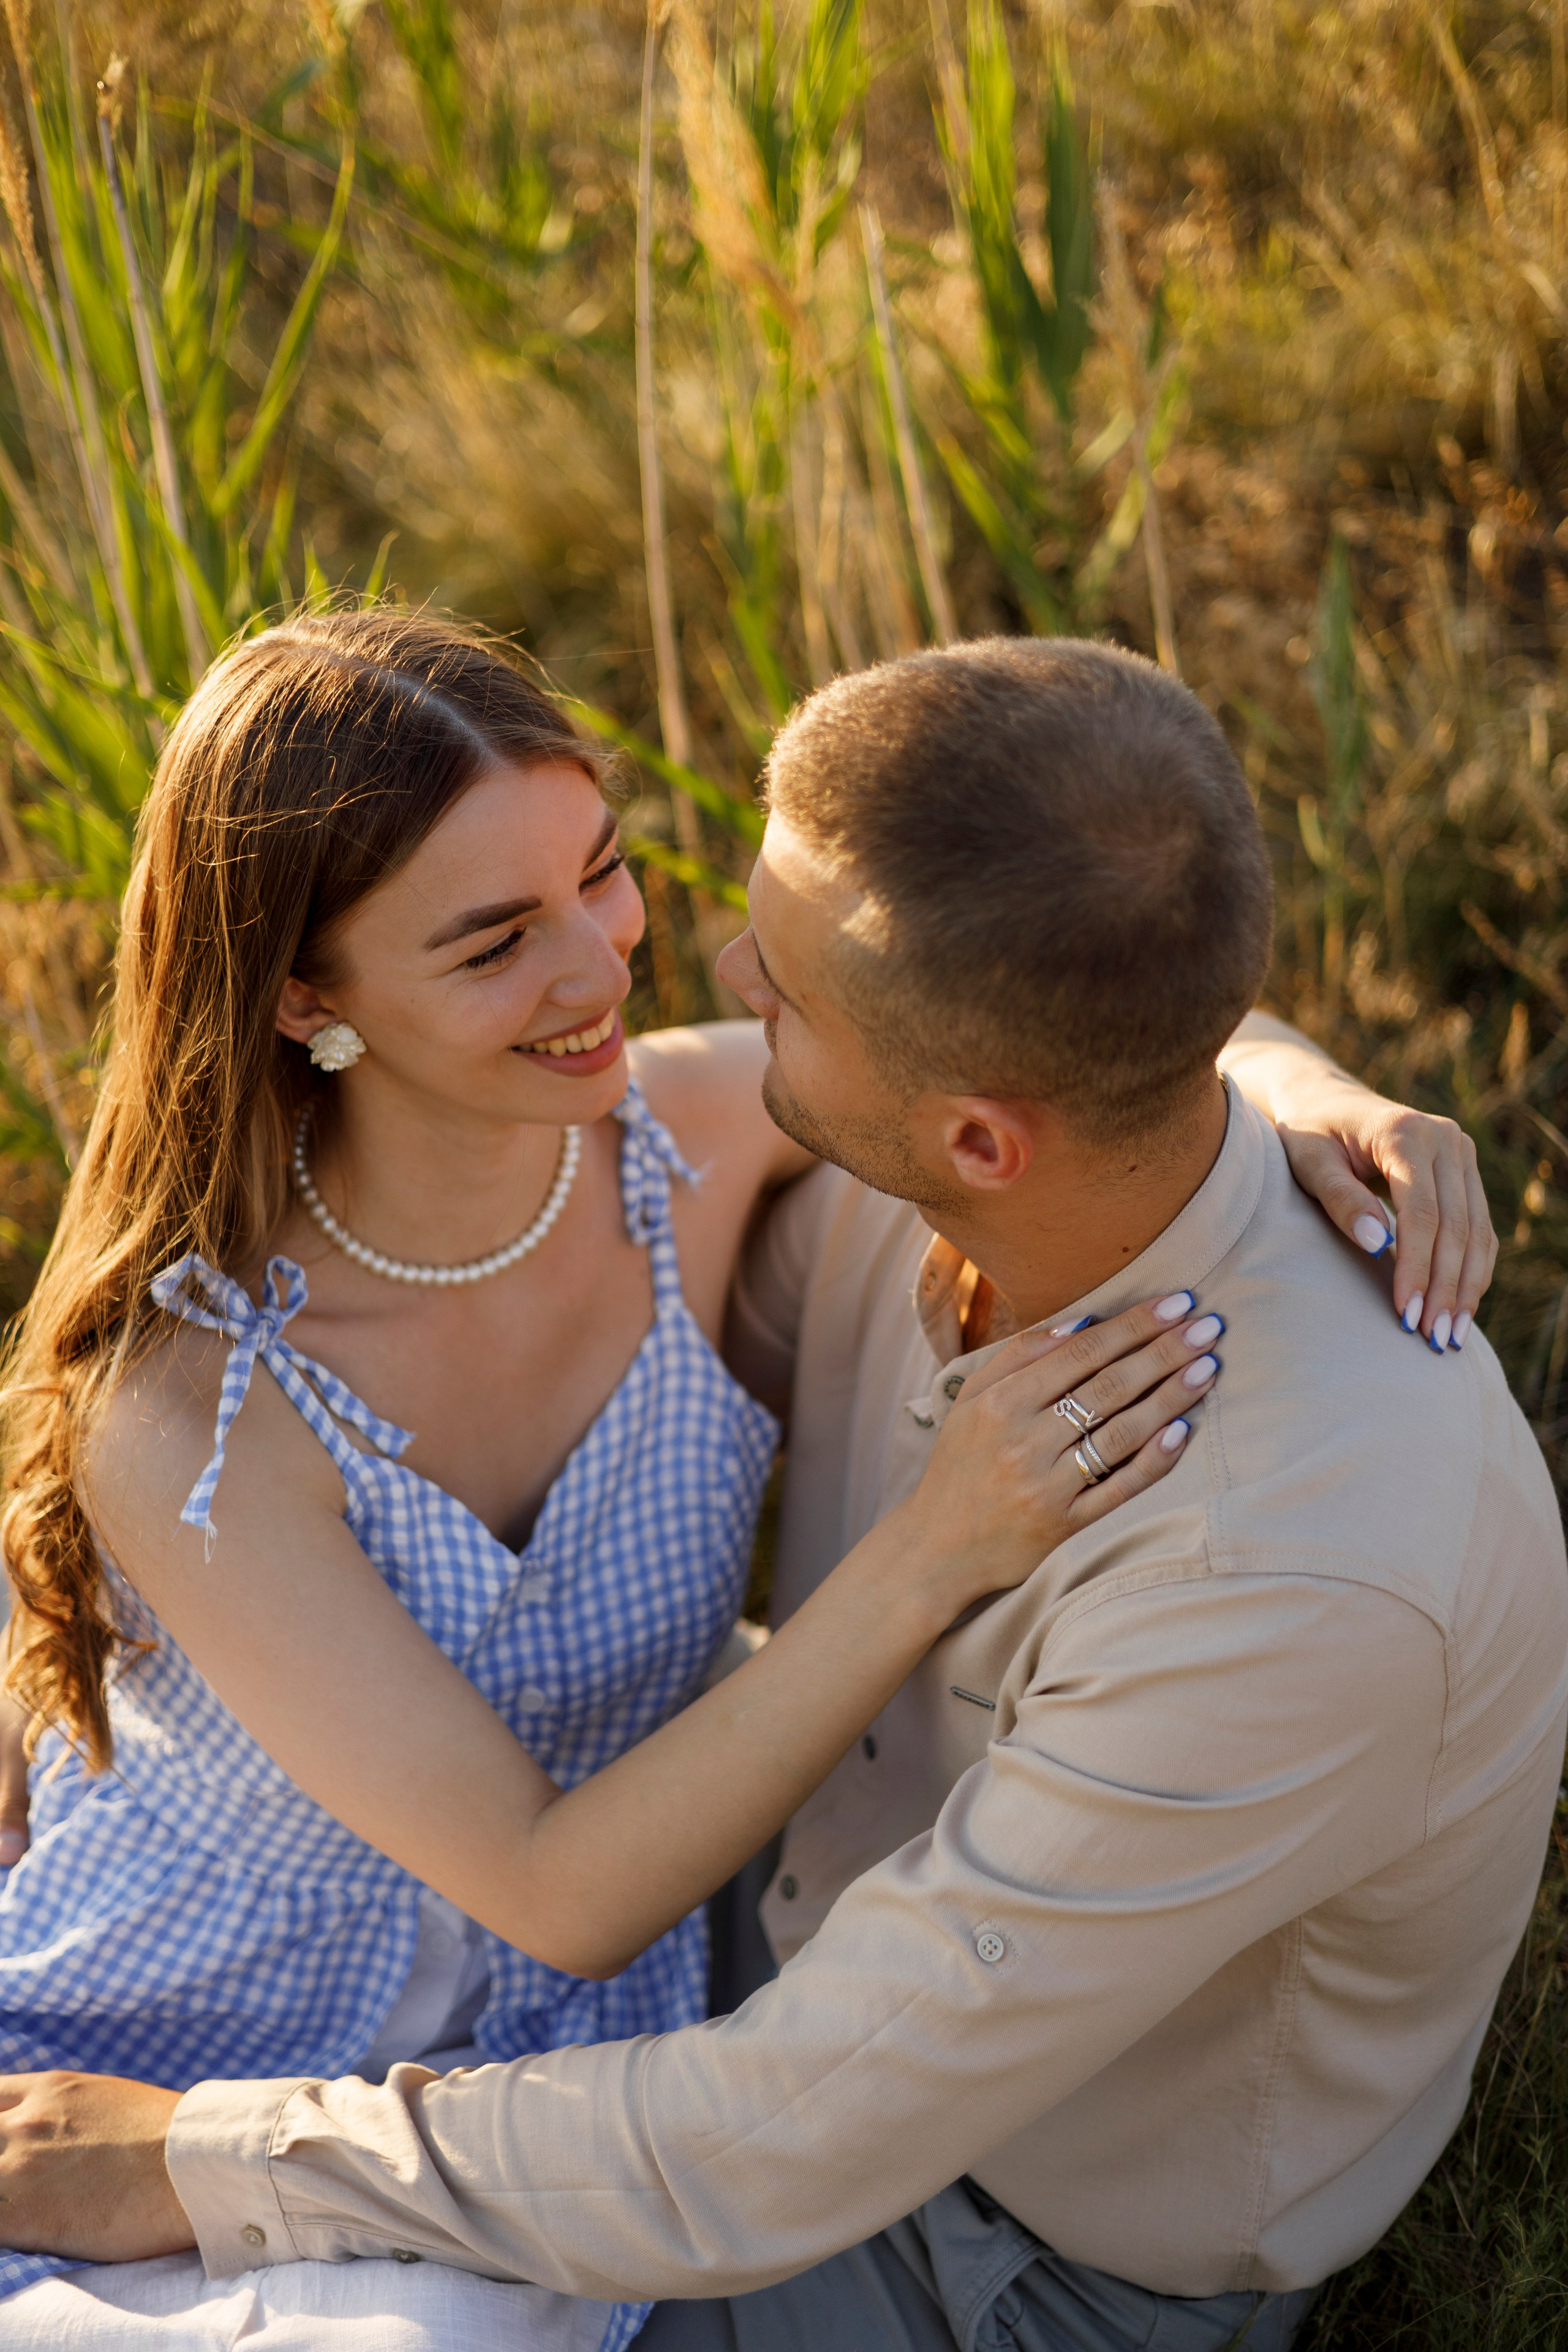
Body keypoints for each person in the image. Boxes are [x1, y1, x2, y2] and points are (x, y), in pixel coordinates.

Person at [0, 635, 1553, 2352]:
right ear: (304, 994)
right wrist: (1301, 1091)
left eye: (601, 881)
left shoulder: (1276, 1580)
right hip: (435, 1987)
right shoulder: (861, 1153)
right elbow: (1100, 1024)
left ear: (979, 1131)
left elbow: (755, 2144)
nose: (667, 967)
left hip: (982, 2236)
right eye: (501, 935)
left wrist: (194, 2164)